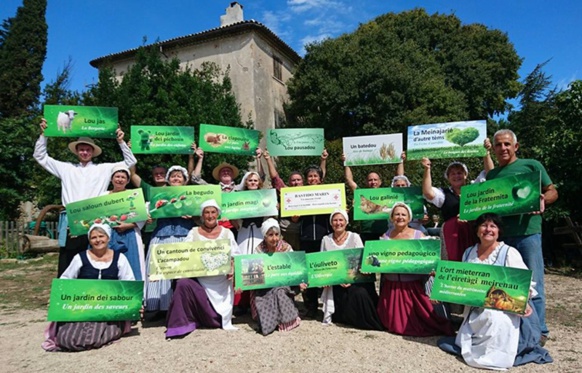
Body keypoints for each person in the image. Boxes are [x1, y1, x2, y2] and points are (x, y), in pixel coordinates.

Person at [438, 213, 553, 369]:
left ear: (499, 231)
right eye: (484, 225)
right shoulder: (469, 252)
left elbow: (523, 284)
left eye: (493, 226)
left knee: (493, 319)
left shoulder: (508, 252)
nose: (488, 229)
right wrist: (443, 286)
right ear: (477, 230)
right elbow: (461, 281)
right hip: (475, 306)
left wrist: (524, 301)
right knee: (480, 319)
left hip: (503, 308)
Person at [33, 119, 137, 276]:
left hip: (95, 219)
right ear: (76, 151)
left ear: (92, 152)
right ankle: (64, 296)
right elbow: (40, 156)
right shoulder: (66, 168)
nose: (84, 152)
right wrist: (44, 135)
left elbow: (130, 161)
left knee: (93, 261)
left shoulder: (103, 169)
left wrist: (121, 141)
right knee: (67, 261)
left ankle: (88, 296)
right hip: (71, 220)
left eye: (87, 150)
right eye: (81, 149)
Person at [486, 129, 558, 345]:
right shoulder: (491, 176)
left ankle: (540, 330)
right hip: (502, 236)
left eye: (507, 144)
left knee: (533, 282)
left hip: (528, 233)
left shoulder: (532, 166)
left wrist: (544, 198)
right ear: (494, 148)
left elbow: (553, 190)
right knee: (505, 283)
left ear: (515, 146)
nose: (503, 148)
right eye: (498, 145)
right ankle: (513, 327)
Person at [42, 224, 136, 352]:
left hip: (108, 310)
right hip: (82, 308)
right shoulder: (80, 258)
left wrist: (133, 304)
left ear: (108, 238)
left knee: (96, 336)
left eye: (101, 236)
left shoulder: (120, 258)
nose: (98, 240)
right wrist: (56, 297)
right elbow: (65, 280)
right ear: (89, 240)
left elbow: (129, 283)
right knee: (67, 339)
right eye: (93, 237)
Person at [377, 202, 453, 336]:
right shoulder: (385, 237)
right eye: (397, 214)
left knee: (426, 321)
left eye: (403, 214)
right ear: (392, 218)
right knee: (392, 323)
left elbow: (431, 257)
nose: (400, 217)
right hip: (392, 286)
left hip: (412, 286)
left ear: (409, 218)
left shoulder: (418, 236)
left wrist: (432, 267)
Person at [165, 200, 238, 339]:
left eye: (213, 212)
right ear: (202, 215)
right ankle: (180, 325)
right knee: (182, 283)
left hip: (222, 282)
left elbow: (235, 255)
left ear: (218, 214)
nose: (210, 216)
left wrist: (232, 267)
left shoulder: (227, 233)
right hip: (200, 281)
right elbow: (184, 255)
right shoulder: (193, 232)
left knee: (217, 318)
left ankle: (216, 316)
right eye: (207, 212)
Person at [320, 210, 383, 330]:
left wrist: (351, 279)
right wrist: (337, 280)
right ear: (331, 223)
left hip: (356, 278)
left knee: (360, 293)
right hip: (336, 282)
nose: (338, 223)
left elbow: (362, 260)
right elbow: (324, 264)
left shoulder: (354, 237)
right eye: (335, 220)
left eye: (341, 220)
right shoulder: (325, 239)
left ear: (346, 222)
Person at [144, 165, 194, 317]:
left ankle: (179, 307)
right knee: (158, 269)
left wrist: (193, 216)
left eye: (179, 176)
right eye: (173, 176)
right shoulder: (158, 196)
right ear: (168, 179)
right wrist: (149, 217)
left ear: (185, 181)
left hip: (184, 235)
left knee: (182, 271)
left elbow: (201, 217)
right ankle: (155, 306)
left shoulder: (191, 197)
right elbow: (149, 215)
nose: (176, 178)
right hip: (162, 234)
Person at [264, 149, 328, 252]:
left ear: (303, 182)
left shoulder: (309, 191)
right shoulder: (286, 192)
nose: (296, 182)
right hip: (291, 233)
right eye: (293, 180)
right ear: (289, 182)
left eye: (298, 180)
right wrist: (268, 159)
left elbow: (320, 176)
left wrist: (323, 160)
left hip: (309, 233)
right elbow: (276, 179)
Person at [249, 218, 305, 335]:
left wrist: (300, 281)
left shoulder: (286, 248)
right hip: (264, 285)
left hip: (284, 283)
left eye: (276, 234)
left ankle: (287, 321)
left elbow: (295, 268)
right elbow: (254, 275)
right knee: (266, 296)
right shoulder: (258, 251)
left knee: (279, 292)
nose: (274, 238)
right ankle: (269, 323)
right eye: (270, 235)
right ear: (264, 236)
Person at [102, 165, 146, 281]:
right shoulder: (103, 195)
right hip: (108, 235)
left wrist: (129, 225)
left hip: (130, 234)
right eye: (117, 176)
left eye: (123, 177)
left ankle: (136, 295)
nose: (120, 179)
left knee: (133, 265)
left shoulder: (134, 195)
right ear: (111, 179)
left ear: (127, 181)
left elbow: (142, 215)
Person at [299, 163, 332, 318]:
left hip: (323, 237)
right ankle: (311, 306)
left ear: (320, 179)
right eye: (310, 176)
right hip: (306, 238)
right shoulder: (300, 194)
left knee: (325, 271)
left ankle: (328, 305)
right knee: (309, 273)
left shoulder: (327, 193)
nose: (312, 179)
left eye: (315, 176)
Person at [342, 153, 396, 242]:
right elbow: (349, 180)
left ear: (380, 182)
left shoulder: (387, 194)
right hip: (366, 233)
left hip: (384, 233)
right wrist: (346, 163)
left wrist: (400, 161)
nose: (373, 182)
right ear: (366, 182)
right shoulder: (361, 193)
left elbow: (399, 178)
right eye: (370, 180)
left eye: (375, 179)